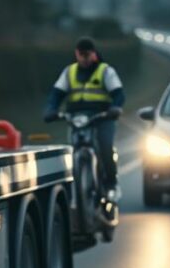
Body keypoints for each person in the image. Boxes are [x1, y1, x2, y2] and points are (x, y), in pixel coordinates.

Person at [44, 37, 125, 195]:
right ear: (76, 54)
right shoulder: (69, 72)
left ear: (94, 54)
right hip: (77, 119)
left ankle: (111, 184)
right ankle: (76, 190)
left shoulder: (105, 71)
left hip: (102, 118)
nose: (84, 58)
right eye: (81, 55)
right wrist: (50, 110)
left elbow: (119, 94)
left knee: (105, 147)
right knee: (73, 150)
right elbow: (56, 94)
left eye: (87, 55)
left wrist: (115, 108)